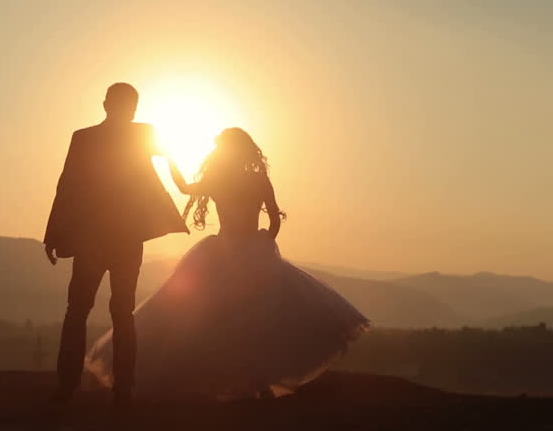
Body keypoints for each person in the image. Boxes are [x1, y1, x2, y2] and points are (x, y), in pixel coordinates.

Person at [85, 128, 369, 400]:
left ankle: (247, 381)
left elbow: (185, 187)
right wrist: (264, 244)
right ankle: (253, 382)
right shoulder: (256, 180)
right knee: (256, 320)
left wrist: (170, 159)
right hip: (246, 252)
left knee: (218, 318)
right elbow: (272, 219)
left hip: (226, 252)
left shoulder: (222, 179)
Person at [43, 83, 188, 406]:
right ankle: (122, 388)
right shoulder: (139, 134)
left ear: (106, 104)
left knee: (80, 310)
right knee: (119, 312)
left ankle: (70, 387)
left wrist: (54, 233)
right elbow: (67, 185)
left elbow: (66, 187)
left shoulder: (86, 137)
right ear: (131, 107)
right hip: (122, 238)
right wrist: (184, 186)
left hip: (94, 238)